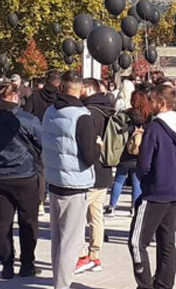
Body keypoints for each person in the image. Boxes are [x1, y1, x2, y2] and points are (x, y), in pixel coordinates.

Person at [128, 84, 176, 289]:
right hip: (174, 192)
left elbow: (144, 164)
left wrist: (146, 176)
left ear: (161, 103)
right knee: (167, 242)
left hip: (155, 193)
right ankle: (164, 284)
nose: (150, 105)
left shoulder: (155, 128)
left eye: (152, 101)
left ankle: (145, 284)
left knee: (137, 242)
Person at [0, 82, 42, 278]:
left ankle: (6, 264)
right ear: (15, 97)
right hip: (24, 176)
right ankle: (27, 263)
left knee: (2, 222)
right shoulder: (26, 119)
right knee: (28, 221)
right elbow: (41, 141)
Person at [41, 71, 99, 289]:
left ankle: (58, 278)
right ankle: (62, 284)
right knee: (71, 241)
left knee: (57, 237)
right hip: (75, 182)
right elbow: (89, 155)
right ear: (80, 89)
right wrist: (98, 147)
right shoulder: (81, 115)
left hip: (55, 178)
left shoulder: (49, 111)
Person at [75, 78, 116, 274]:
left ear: (88, 89)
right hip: (105, 168)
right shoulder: (108, 109)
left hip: (89, 170)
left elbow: (86, 143)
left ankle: (83, 256)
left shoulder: (88, 113)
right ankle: (95, 255)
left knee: (77, 215)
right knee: (96, 215)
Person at [106, 89, 150, 216]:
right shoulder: (148, 117)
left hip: (125, 152)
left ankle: (112, 206)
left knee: (119, 180)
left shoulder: (126, 115)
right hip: (140, 154)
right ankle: (134, 207)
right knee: (137, 181)